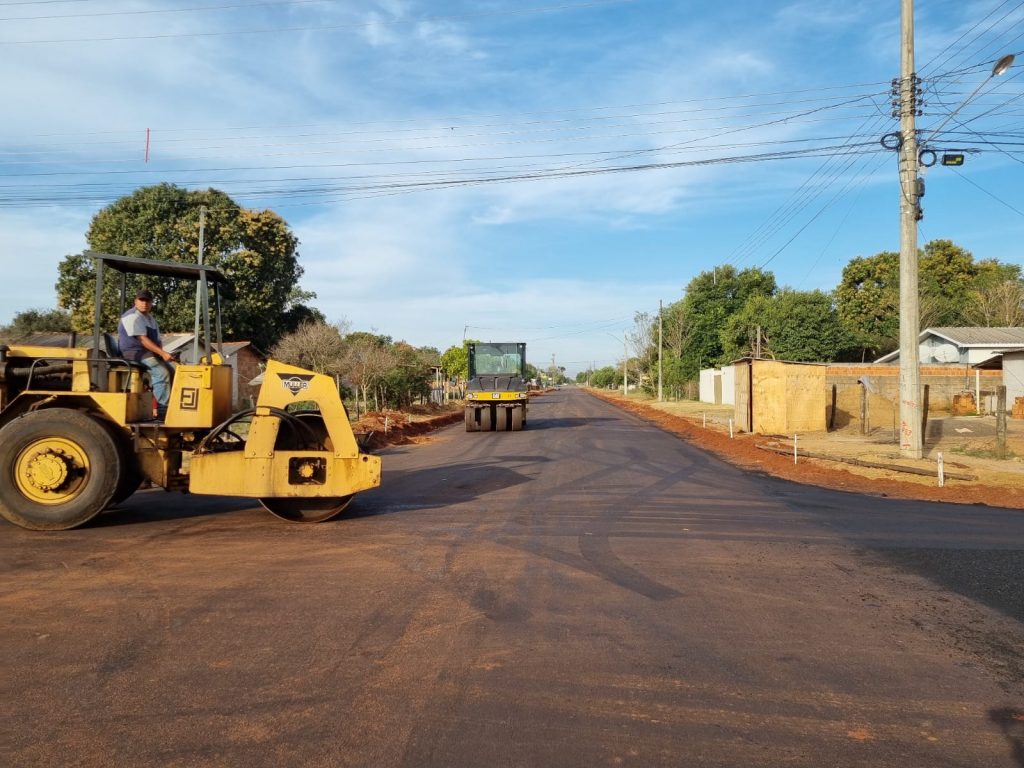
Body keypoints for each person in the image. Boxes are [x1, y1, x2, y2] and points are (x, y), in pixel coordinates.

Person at [118, 289, 176, 419]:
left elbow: (157, 341)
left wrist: (163, 355)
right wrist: (162, 353)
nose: (144, 303)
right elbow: (143, 340)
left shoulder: (150, 319)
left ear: (151, 303)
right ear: (135, 301)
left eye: (147, 300)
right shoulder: (132, 316)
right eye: (141, 300)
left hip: (146, 352)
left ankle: (170, 407)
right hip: (133, 352)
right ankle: (161, 412)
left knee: (173, 371)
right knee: (161, 372)